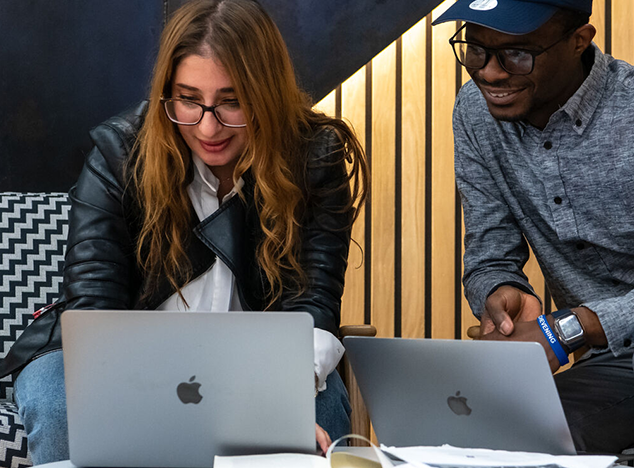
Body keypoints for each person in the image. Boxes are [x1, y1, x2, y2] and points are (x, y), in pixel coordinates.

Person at [0, 0, 368, 463]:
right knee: (59, 406)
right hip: (121, 360)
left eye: (232, 101)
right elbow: (95, 309)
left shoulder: (315, 155)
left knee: (323, 412)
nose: (208, 126)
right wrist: (148, 400)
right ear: (166, 92)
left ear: (267, 93)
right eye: (188, 99)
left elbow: (314, 304)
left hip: (260, 363)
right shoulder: (119, 154)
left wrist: (267, 400)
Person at [433, 0, 634, 466]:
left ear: (580, 40)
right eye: (475, 49)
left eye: (517, 54)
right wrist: (501, 293)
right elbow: (489, 256)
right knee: (501, 431)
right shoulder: (475, 114)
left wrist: (574, 325)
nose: (491, 74)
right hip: (612, 361)